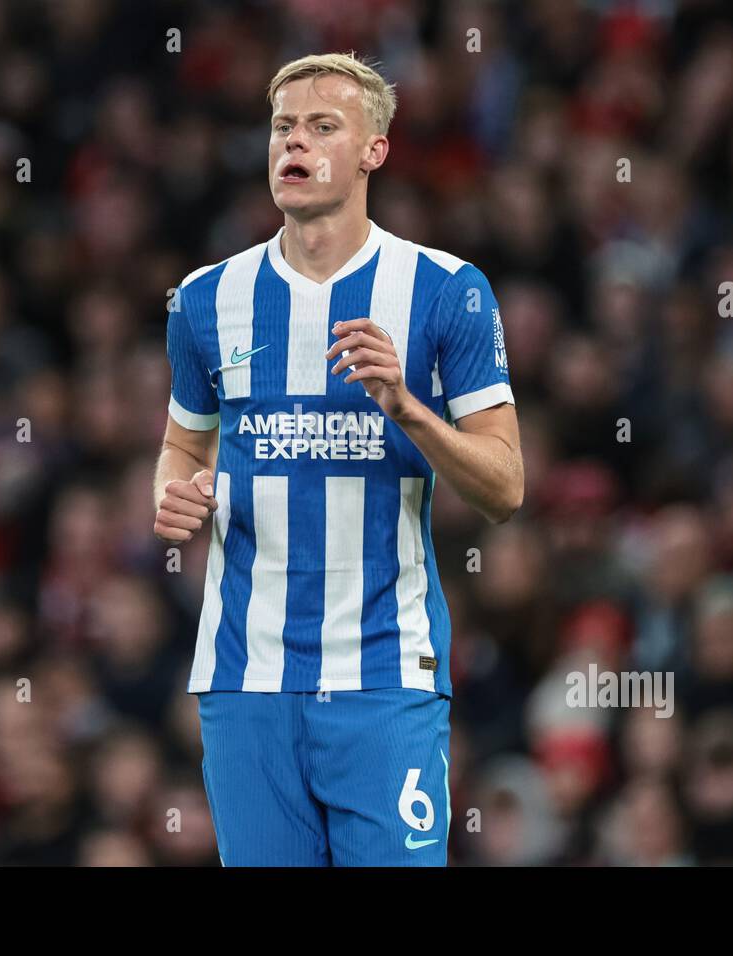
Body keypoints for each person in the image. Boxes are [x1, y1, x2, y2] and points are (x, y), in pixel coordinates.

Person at [152, 52, 523, 866]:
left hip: (386, 673)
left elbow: (503, 487)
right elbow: (185, 440)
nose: (297, 141)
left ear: (373, 152)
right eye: (284, 126)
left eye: (324, 126)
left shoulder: (447, 289)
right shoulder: (206, 297)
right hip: (246, 677)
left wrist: (407, 409)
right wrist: (176, 494)